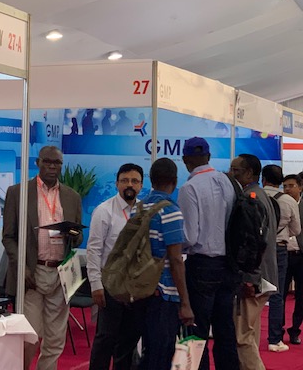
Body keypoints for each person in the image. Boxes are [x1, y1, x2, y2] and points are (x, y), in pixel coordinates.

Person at [3, 146, 83, 370]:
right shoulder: (18, 193)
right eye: (47, 161)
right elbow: (8, 237)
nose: (52, 166)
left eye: (56, 163)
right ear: (37, 163)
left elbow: (78, 238)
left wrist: (73, 234)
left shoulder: (72, 197)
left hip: (61, 273)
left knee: (56, 338)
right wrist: (21, 267)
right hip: (32, 272)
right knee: (30, 336)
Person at [177, 137, 239, 370]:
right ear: (209, 157)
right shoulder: (228, 182)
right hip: (228, 265)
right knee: (225, 330)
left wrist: (172, 248)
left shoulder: (189, 188)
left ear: (185, 160)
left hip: (201, 265)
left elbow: (190, 236)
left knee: (194, 330)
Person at [87, 163, 146, 370]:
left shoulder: (144, 211)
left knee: (129, 340)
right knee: (106, 339)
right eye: (125, 180)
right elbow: (94, 250)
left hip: (136, 288)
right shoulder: (104, 211)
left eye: (134, 181)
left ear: (141, 185)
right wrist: (96, 285)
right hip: (110, 286)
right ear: (117, 184)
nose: (130, 185)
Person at [138, 158, 193, 370]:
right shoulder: (170, 211)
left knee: (149, 351)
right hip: (164, 291)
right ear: (175, 181)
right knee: (162, 352)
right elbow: (176, 259)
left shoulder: (139, 208)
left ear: (151, 180)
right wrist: (185, 303)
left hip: (143, 288)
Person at [229, 154, 278, 370]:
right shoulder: (260, 196)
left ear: (249, 173)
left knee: (242, 337)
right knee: (250, 334)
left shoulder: (250, 199)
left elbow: (252, 242)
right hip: (263, 275)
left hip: (254, 277)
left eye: (236, 170)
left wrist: (249, 278)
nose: (231, 174)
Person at [262, 165, 301, 352]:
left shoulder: (255, 195)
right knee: (277, 294)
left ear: (263, 179)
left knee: (249, 293)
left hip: (256, 248)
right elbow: (296, 230)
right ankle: (275, 338)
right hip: (279, 248)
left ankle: (245, 335)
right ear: (280, 181)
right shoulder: (288, 201)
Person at [283, 173, 303, 345]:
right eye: (285, 186)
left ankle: (295, 330)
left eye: (291, 186)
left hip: (301, 256)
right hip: (283, 254)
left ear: (300, 187)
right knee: (279, 295)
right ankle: (277, 330)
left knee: (301, 296)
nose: (288, 189)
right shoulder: (279, 203)